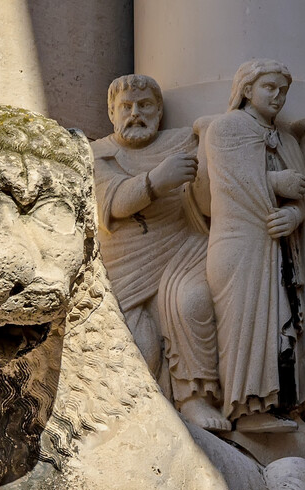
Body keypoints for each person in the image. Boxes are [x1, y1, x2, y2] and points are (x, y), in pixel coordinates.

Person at [92, 74, 228, 430]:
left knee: (192, 300)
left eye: (145, 105)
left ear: (160, 110)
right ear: (111, 112)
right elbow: (115, 203)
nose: (135, 113)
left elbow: (209, 201)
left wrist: (211, 139)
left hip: (185, 250)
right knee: (139, 346)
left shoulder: (183, 142)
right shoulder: (98, 154)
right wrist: (157, 180)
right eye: (126, 106)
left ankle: (196, 398)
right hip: (127, 269)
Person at [193, 59, 305, 432]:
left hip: (278, 247)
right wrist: (277, 184)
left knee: (279, 323)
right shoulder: (225, 129)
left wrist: (294, 217)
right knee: (243, 324)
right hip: (239, 242)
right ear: (247, 90)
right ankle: (245, 407)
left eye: (283, 91)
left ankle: (275, 403)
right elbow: (231, 184)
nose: (278, 97)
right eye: (270, 88)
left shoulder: (287, 141)